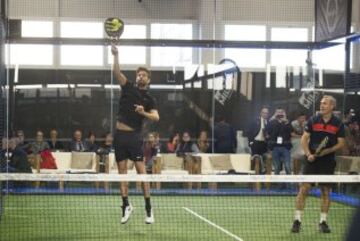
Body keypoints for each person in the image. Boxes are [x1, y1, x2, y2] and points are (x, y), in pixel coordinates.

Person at [111, 43, 159, 224]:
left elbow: (156, 117)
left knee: (141, 173)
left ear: (148, 80)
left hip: (134, 137)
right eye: (139, 74)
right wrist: (115, 55)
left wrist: (142, 112)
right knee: (122, 172)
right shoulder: (128, 87)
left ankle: (148, 210)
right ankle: (126, 206)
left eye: (144, 75)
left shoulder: (149, 99)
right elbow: (117, 73)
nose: (141, 76)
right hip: (119, 136)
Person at [291, 95, 345, 233]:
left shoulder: (338, 123)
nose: (322, 105)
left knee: (326, 191)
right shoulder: (313, 120)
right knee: (304, 189)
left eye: (325, 104)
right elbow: (304, 139)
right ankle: (297, 221)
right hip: (311, 159)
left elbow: (341, 143)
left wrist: (327, 150)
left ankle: (323, 222)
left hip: (327, 161)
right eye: (321, 103)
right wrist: (308, 154)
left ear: (332, 106)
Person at [267, 108, 293, 175]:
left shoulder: (287, 122)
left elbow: (291, 131)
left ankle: (289, 184)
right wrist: (272, 119)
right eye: (278, 112)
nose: (280, 114)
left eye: (281, 112)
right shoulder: (272, 122)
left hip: (285, 147)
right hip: (275, 147)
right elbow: (268, 131)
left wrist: (286, 121)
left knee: (287, 167)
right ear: (275, 113)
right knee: (277, 167)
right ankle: (276, 184)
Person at [247, 107, 269, 174]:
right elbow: (249, 131)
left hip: (263, 143)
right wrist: (251, 142)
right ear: (260, 113)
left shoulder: (268, 122)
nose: (265, 114)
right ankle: (253, 173)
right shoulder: (255, 120)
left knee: (263, 158)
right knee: (255, 158)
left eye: (266, 113)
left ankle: (262, 173)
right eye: (264, 112)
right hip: (255, 142)